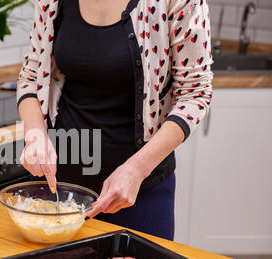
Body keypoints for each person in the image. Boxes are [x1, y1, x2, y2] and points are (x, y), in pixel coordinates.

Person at [16, 0, 213, 240]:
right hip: (56, 192)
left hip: (139, 195)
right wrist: (35, 133)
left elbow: (195, 93)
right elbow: (31, 72)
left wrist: (137, 169)